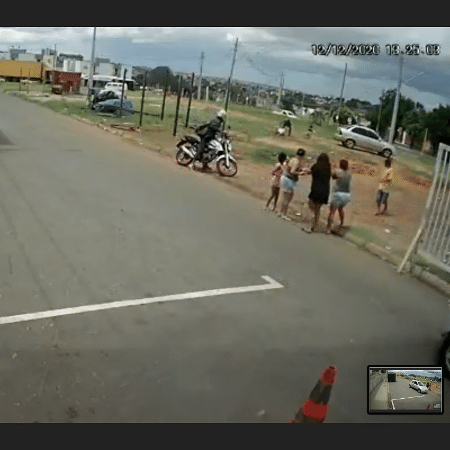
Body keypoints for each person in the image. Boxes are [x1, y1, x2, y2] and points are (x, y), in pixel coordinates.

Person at [303, 153, 332, 233]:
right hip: (325, 191)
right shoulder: (328, 168)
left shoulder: (316, 166)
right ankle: (314, 226)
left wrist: (305, 170)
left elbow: (309, 172)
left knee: (311, 206)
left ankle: (310, 226)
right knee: (317, 210)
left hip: (316, 190)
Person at [278, 149, 306, 221]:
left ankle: (280, 211)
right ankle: (284, 213)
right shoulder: (297, 162)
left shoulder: (293, 159)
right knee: (288, 198)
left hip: (285, 177)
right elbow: (292, 171)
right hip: (289, 180)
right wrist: (300, 173)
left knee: (284, 197)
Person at [327, 160, 352, 234]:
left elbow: (333, 176)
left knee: (332, 211)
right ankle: (341, 223)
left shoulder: (337, 171)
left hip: (338, 193)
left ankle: (328, 228)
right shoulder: (349, 174)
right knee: (340, 209)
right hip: (346, 194)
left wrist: (333, 167)